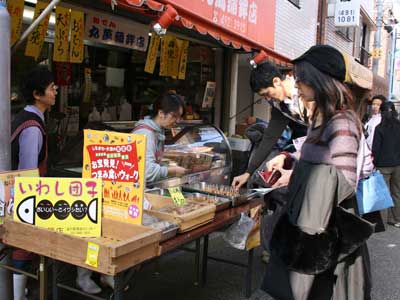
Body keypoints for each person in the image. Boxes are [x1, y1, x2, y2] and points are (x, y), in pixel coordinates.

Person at [261, 45, 373, 300]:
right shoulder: (322, 119)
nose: (296, 84)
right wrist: (290, 160)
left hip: (324, 235)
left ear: (319, 79)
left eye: (301, 78)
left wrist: (302, 177)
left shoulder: (342, 122)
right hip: (310, 226)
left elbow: (344, 182)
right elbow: (319, 160)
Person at [10, 66, 57, 299]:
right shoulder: (32, 128)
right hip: (23, 197)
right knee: (23, 247)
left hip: (19, 195)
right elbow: (27, 174)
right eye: (51, 87)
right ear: (38, 95)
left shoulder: (28, 117)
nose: (56, 90)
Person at [232, 61, 308, 190]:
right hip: (306, 148)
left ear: (277, 81)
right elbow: (269, 138)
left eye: (267, 93)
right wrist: (248, 172)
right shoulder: (280, 106)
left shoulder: (306, 93)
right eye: (263, 96)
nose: (268, 99)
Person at [132, 92, 187, 183]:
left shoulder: (158, 131)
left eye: (179, 117)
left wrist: (166, 166)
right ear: (161, 113)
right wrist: (172, 170)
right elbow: (147, 172)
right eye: (174, 116)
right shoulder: (145, 134)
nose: (177, 121)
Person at [372, 101, 400, 228]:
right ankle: (395, 219)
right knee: (397, 192)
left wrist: (374, 164)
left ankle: (381, 221)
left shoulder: (379, 128)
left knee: (382, 193)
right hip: (398, 164)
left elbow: (375, 149)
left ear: (382, 113)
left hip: (383, 165)